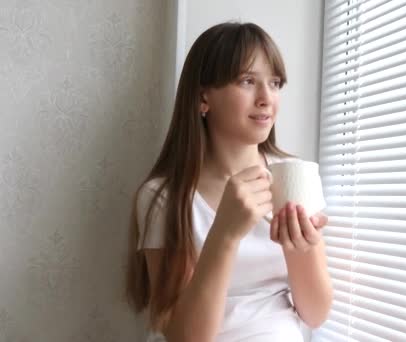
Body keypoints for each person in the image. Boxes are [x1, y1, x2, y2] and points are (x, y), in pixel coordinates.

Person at [124, 22, 333, 341]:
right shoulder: (165, 198)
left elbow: (316, 314)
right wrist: (224, 233)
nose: (266, 98)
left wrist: (301, 248)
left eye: (275, 83)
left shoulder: (295, 177)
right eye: (248, 81)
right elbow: (183, 337)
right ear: (203, 98)